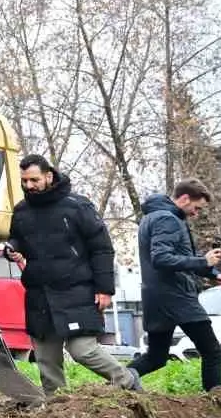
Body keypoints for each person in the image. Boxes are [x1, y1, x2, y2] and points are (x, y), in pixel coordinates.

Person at [7, 155, 142, 393]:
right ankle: (57, 406)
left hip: (77, 291)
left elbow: (101, 248)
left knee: (83, 350)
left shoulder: (77, 206)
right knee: (46, 359)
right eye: (24, 181)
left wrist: (104, 288)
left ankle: (127, 381)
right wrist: (13, 250)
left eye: (34, 180)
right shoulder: (21, 211)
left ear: (49, 176)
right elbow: (18, 239)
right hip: (39, 294)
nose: (29, 186)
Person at [127, 179, 221, 391]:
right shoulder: (168, 219)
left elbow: (177, 258)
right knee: (212, 352)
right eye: (196, 208)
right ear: (184, 198)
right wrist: (203, 262)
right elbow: (162, 259)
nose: (196, 213)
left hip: (155, 297)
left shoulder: (151, 217)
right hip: (177, 297)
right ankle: (217, 402)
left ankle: (121, 380)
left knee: (156, 356)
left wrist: (211, 272)